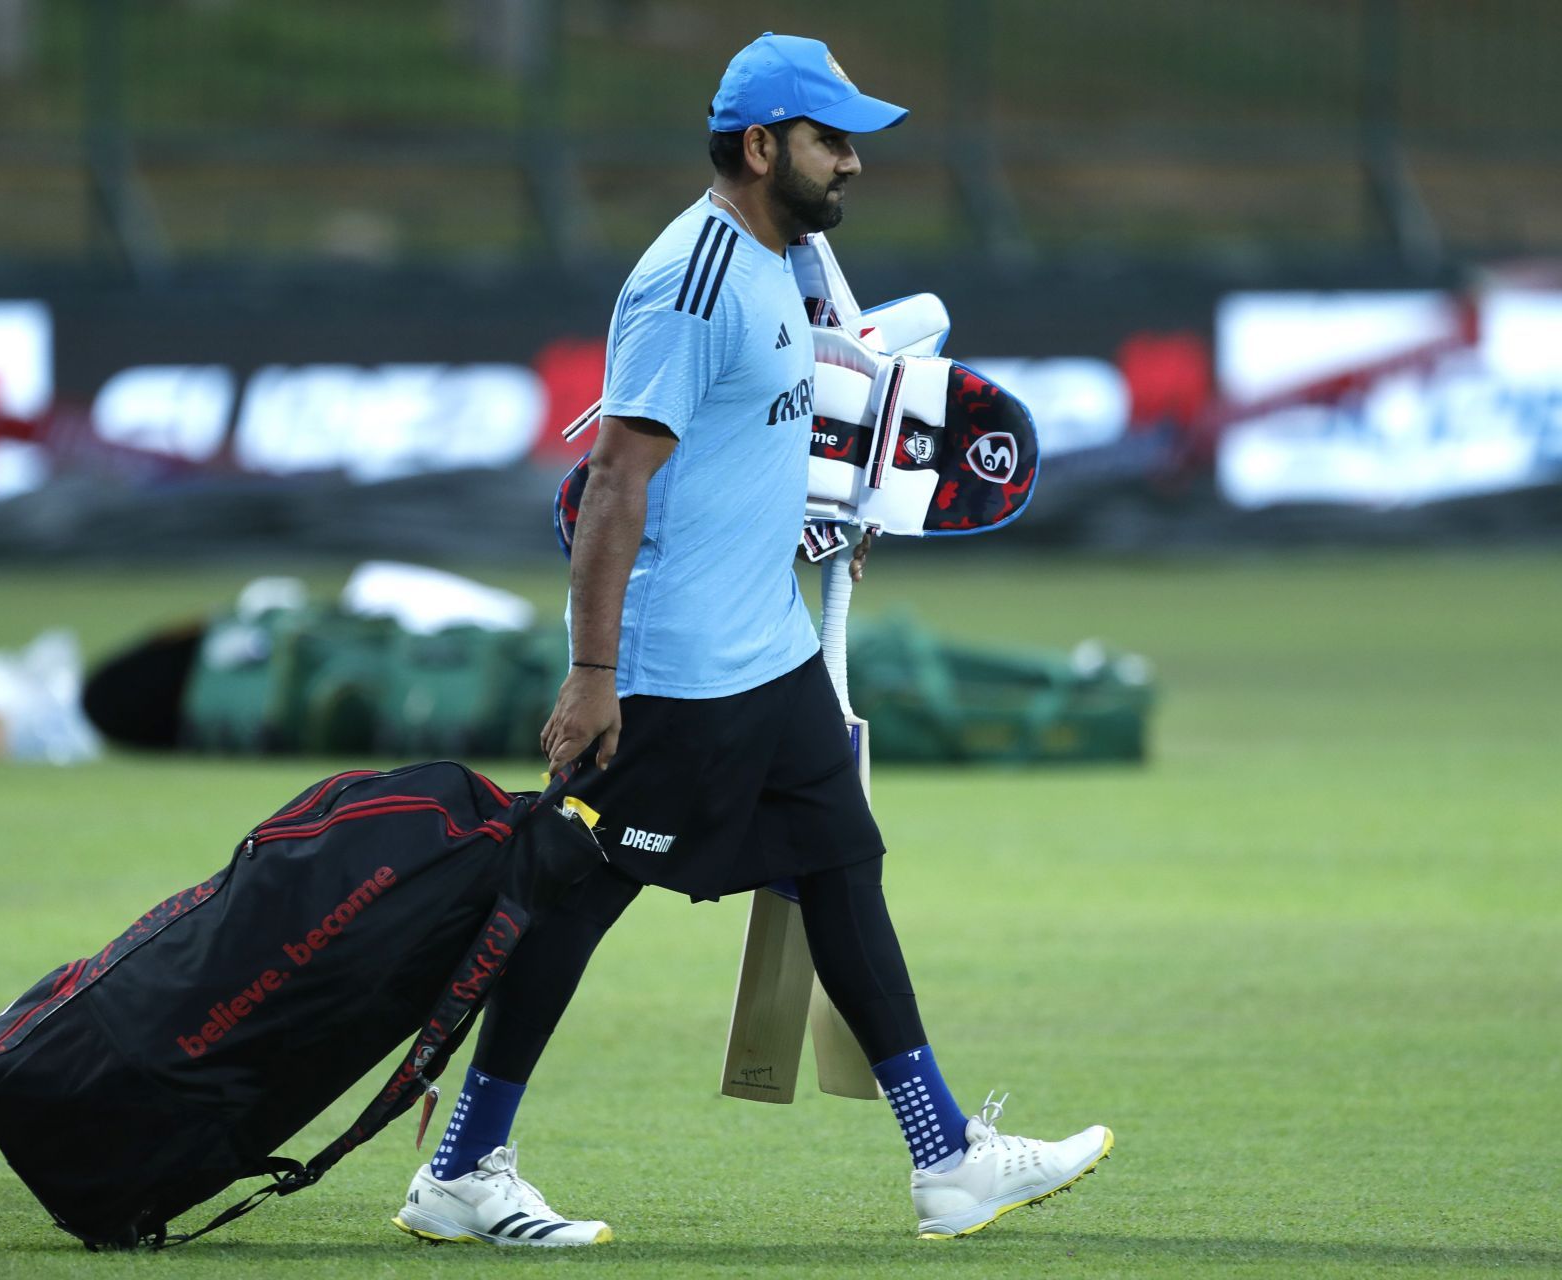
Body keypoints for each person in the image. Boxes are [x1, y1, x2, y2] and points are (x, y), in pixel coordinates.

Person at [393, 32, 1112, 1247]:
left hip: (768, 656)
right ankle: (462, 1166)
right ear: (762, 144)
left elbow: (756, 445)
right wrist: (593, 673)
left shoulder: (787, 262)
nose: (854, 164)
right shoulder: (692, 279)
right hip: (676, 678)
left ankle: (947, 1159)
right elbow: (615, 484)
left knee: (841, 862)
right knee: (572, 904)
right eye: (832, 141)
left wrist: (829, 519)